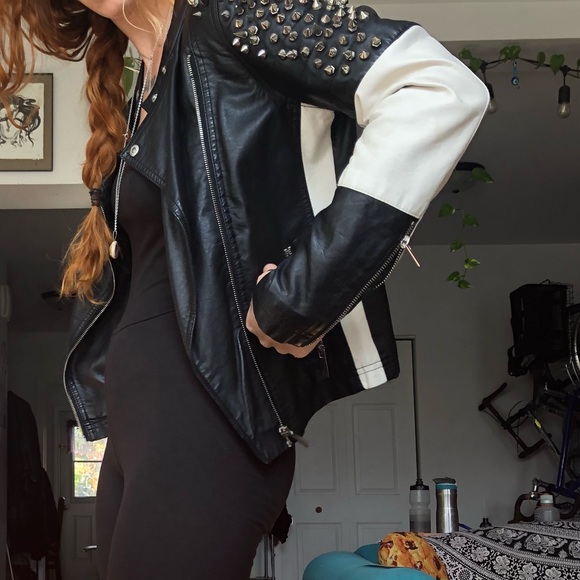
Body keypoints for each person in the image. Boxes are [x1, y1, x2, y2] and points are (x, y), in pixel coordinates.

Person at [0, 0, 489, 577]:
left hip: (207, 415)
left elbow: (439, 88)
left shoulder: (232, 14)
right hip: (136, 427)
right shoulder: (145, 85)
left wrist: (309, 292)